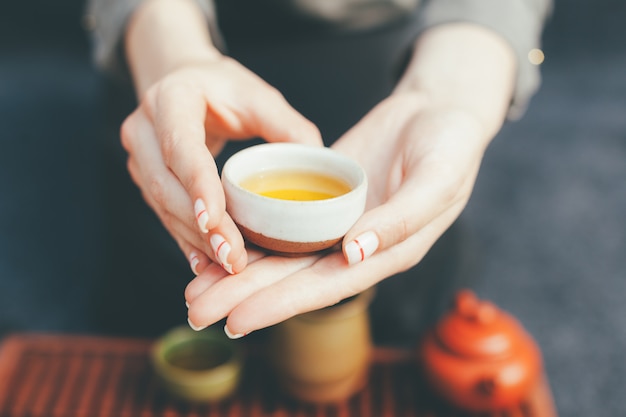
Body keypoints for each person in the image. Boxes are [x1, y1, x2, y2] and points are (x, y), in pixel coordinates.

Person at [86, 0, 552, 345]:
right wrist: (173, 58)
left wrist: (451, 91)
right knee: (169, 300)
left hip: (399, 55)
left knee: (393, 297)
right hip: (177, 45)